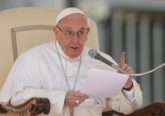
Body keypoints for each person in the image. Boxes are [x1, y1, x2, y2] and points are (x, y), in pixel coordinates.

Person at [0, 7, 142, 116]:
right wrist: (62, 98)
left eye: (81, 32)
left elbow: (130, 109)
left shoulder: (101, 60)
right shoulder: (33, 58)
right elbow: (16, 98)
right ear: (57, 32)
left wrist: (127, 86)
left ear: (87, 33)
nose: (76, 40)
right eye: (69, 32)